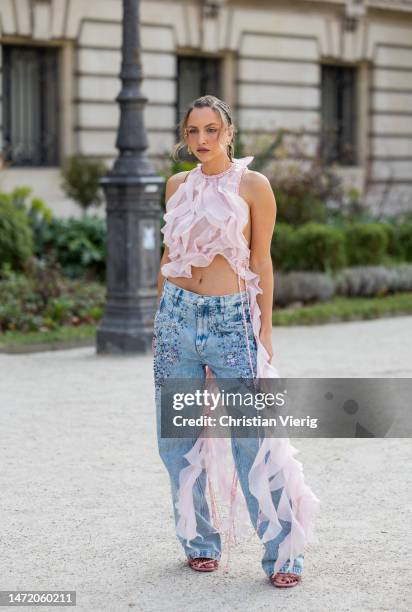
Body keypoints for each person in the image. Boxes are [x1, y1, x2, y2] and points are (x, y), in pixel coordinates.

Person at [152, 95, 319, 588]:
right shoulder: (176, 185)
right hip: (176, 321)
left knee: (254, 440)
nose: (200, 140)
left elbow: (262, 260)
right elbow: (170, 253)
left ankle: (284, 553)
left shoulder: (253, 185)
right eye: (192, 132)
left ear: (229, 133)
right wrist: (159, 315)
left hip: (231, 324)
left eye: (210, 130)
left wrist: (264, 329)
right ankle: (200, 543)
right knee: (175, 442)